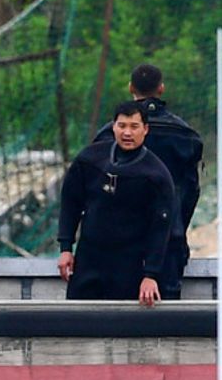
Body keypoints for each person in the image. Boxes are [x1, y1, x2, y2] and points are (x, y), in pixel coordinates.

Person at [92, 63, 203, 300]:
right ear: (161, 89)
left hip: (117, 245)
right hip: (167, 244)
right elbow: (191, 193)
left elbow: (93, 192)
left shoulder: (107, 136)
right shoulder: (186, 136)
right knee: (165, 319)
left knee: (114, 318)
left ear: (131, 87)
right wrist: (176, 228)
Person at [59, 100, 175, 306]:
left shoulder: (156, 175)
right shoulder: (90, 159)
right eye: (122, 126)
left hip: (128, 264)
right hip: (88, 259)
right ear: (113, 126)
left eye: (134, 126)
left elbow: (161, 228)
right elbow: (70, 202)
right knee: (77, 322)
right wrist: (66, 247)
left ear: (145, 130)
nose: (127, 133)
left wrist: (151, 275)